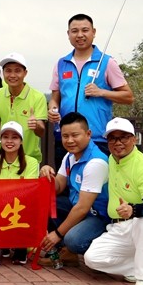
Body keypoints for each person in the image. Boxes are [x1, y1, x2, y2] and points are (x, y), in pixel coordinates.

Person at [84, 118, 143, 285]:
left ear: (134, 139)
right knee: (92, 258)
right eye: (112, 138)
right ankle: (135, 266)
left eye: (124, 137)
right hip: (120, 227)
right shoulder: (111, 159)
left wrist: (133, 210)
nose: (118, 143)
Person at [48, 13, 135, 155]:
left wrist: (101, 92)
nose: (80, 35)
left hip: (96, 139)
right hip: (66, 139)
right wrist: (53, 110)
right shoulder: (61, 63)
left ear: (93, 32)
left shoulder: (107, 62)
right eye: (74, 31)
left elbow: (128, 97)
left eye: (85, 30)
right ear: (68, 34)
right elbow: (54, 98)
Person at [38, 112, 111, 267]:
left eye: (75, 135)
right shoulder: (70, 156)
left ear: (88, 134)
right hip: (79, 209)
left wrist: (57, 234)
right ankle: (64, 253)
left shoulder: (96, 162)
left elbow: (82, 208)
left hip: (99, 217)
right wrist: (47, 174)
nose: (70, 140)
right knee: (44, 204)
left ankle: (105, 246)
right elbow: (58, 187)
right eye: (65, 136)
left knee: (74, 240)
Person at [0, 121, 39, 265]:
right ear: (0, 140)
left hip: (20, 210)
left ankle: (21, 246)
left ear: (21, 141)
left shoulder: (32, 162)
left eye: (14, 137)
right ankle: (4, 243)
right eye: (5, 137)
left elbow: (28, 191)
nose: (9, 141)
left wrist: (2, 193)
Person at [0, 53, 48, 163]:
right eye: (8, 71)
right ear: (3, 73)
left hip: (29, 158)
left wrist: (36, 125)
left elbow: (41, 132)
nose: (12, 75)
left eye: (17, 71)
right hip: (3, 157)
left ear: (25, 73)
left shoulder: (38, 97)